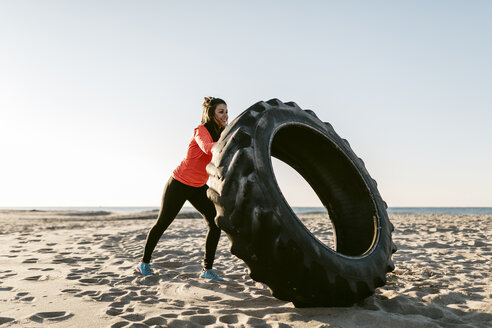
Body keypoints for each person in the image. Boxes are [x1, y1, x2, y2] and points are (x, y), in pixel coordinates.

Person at [136, 97, 229, 281]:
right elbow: (207, 148)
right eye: (221, 111)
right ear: (211, 114)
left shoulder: (223, 134)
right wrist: (227, 143)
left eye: (226, 111)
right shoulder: (200, 130)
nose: (225, 115)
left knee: (215, 223)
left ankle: (207, 270)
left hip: (198, 187)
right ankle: (143, 263)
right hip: (179, 183)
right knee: (162, 223)